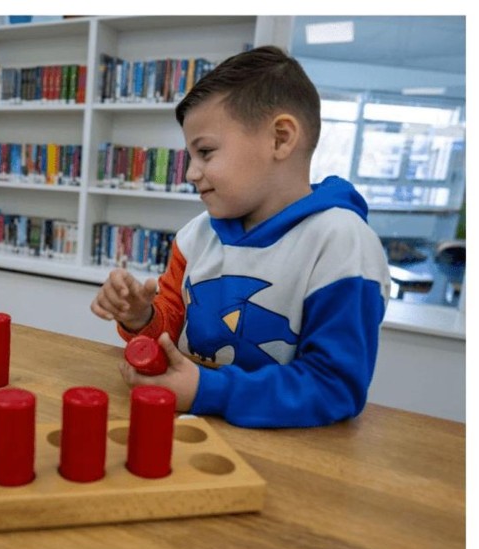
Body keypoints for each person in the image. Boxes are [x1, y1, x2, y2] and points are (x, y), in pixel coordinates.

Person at [90, 46, 390, 428]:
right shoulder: (194, 236)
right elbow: (171, 333)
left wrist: (207, 390)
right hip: (188, 432)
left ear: (281, 138)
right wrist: (140, 317)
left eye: (206, 152)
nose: (191, 173)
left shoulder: (342, 244)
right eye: (190, 156)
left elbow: (335, 387)